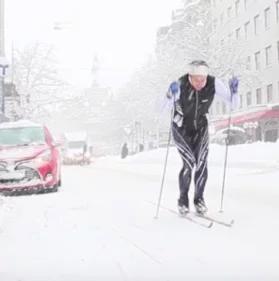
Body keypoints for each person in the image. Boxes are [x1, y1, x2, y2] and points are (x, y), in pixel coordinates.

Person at [167, 60, 238, 215]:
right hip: (181, 128)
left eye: (202, 79)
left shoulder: (213, 83)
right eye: (196, 79)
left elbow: (233, 104)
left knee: (202, 163)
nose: (200, 83)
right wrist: (169, 95)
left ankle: (199, 200)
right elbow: (161, 107)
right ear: (189, 76)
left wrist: (234, 92)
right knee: (189, 162)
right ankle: (183, 201)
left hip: (201, 127)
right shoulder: (180, 84)